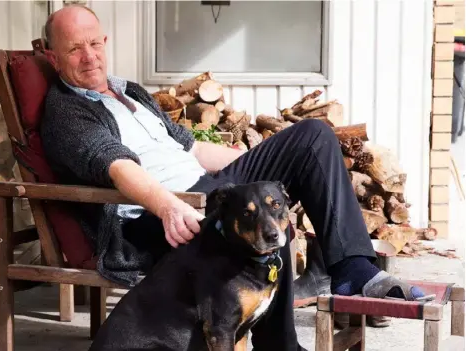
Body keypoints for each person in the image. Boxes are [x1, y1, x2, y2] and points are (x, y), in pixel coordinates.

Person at [40, 5, 429, 350]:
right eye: (74, 49)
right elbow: (116, 164)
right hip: (158, 214)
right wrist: (169, 205)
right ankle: (281, 342)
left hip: (203, 187)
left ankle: (352, 271)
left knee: (313, 137)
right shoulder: (68, 112)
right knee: (266, 229)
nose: (89, 56)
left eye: (94, 43)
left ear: (105, 41)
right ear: (54, 58)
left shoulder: (130, 92)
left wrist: (256, 165)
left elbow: (191, 148)